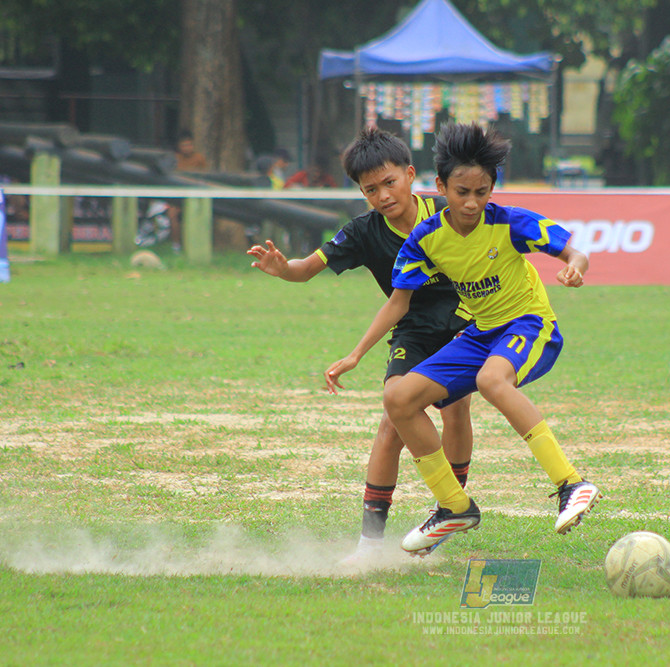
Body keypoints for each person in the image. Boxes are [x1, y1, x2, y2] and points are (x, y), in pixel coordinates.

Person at [325, 123, 600, 556]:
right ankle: (454, 507)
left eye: (481, 192)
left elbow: (574, 252)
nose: (472, 202)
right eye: (462, 192)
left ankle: (571, 484)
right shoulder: (426, 239)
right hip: (480, 334)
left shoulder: (509, 222)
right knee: (398, 400)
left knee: (492, 381)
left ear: (492, 188)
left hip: (528, 325)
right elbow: (398, 302)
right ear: (441, 187)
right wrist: (356, 354)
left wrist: (575, 268)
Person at [246, 128, 475, 563]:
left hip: (466, 321)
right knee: (393, 419)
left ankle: (449, 509)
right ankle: (371, 544)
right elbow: (306, 269)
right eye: (371, 190)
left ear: (410, 175)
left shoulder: (448, 212)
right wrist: (283, 269)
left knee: (456, 407)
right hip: (412, 329)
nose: (383, 195)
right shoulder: (363, 232)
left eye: (390, 183)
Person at [167, 130, 208, 252]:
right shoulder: (175, 159)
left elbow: (205, 176)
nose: (187, 148)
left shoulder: (199, 159)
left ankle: (195, 245)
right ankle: (176, 245)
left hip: (195, 194)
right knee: (172, 215)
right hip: (177, 194)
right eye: (184, 145)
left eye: (189, 145)